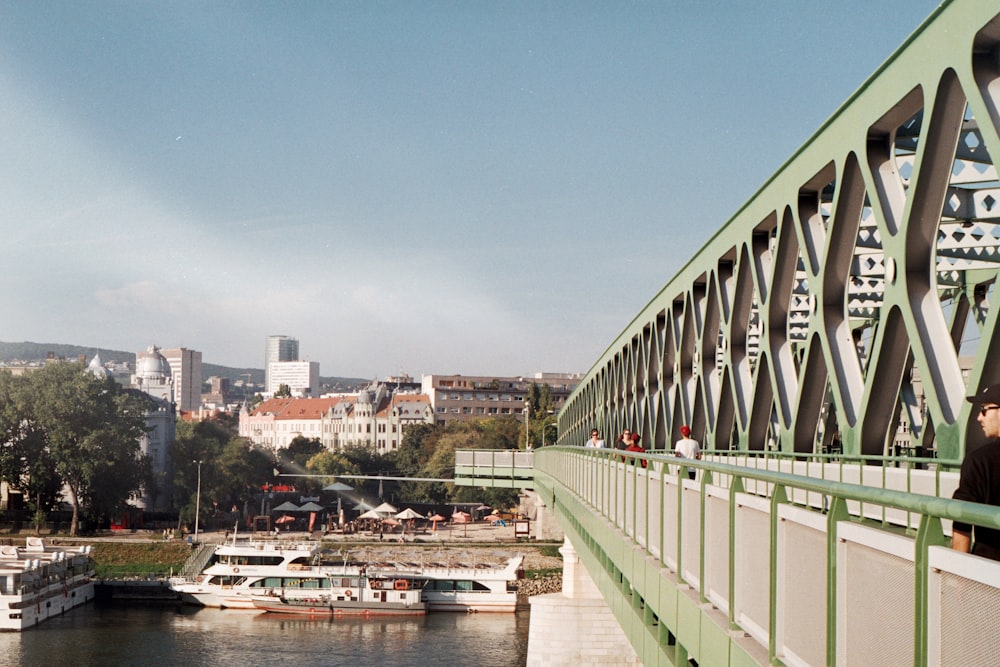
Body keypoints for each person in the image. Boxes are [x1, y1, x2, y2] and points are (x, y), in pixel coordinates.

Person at [952, 384, 1000, 560]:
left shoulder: (980, 460)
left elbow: (962, 519)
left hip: (989, 569)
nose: (979, 418)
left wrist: (960, 580)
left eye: (984, 410)